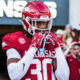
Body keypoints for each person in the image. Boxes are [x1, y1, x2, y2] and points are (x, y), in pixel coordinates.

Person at [2, 1, 69, 80]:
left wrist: (57, 48)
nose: (43, 27)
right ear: (27, 22)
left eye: (45, 23)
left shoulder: (50, 43)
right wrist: (33, 47)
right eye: (38, 23)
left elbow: (64, 77)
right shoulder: (16, 41)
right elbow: (14, 76)